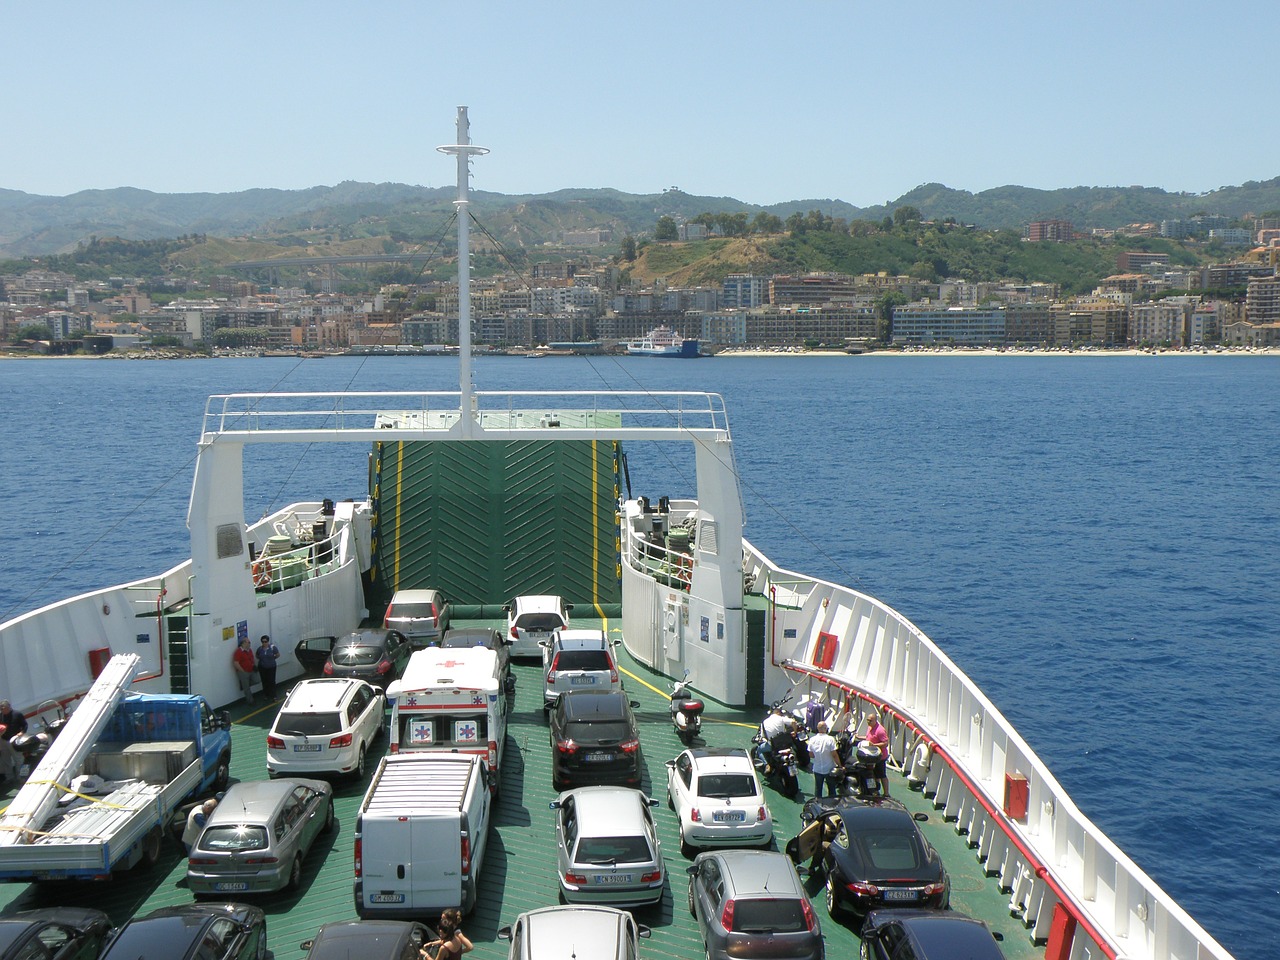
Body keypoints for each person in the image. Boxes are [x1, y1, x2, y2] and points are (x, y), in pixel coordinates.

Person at [755, 707, 795, 774]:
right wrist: (795, 732)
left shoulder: (764, 722)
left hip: (774, 745)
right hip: (786, 745)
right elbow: (793, 722)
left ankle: (766, 765)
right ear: (778, 713)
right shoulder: (781, 718)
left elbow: (763, 736)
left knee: (759, 750)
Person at [807, 720, 841, 798]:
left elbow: (811, 755)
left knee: (818, 790)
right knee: (832, 789)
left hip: (817, 769)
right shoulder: (830, 739)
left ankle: (818, 805)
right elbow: (834, 755)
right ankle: (832, 805)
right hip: (829, 769)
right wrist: (839, 765)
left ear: (818, 729)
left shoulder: (812, 739)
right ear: (825, 728)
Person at [0, 699, 27, 783]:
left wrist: (22, 732)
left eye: (3, 708)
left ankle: (20, 777)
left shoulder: (17, 714)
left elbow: (25, 725)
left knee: (18, 759)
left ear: (8, 707)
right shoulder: (1, 716)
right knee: (5, 759)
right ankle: (9, 777)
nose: (1, 710)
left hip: (14, 739)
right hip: (3, 740)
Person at [864, 713, 891, 798]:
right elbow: (868, 738)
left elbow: (885, 743)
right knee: (873, 774)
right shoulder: (870, 727)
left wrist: (874, 745)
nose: (868, 722)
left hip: (880, 757)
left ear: (875, 720)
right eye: (867, 720)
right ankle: (875, 791)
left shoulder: (880, 730)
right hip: (871, 756)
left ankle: (886, 793)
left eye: (870, 720)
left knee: (882, 775)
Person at [232, 638, 257, 705]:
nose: (249, 644)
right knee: (247, 688)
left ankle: (243, 684)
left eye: (249, 642)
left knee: (257, 680)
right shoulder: (238, 652)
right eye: (248, 642)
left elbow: (252, 659)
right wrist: (243, 671)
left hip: (251, 670)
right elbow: (236, 663)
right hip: (243, 672)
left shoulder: (249, 650)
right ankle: (250, 701)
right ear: (243, 643)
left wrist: (253, 665)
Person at [256, 635, 281, 701]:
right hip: (262, 667)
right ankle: (266, 694)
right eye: (263, 642)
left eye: (265, 641)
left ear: (268, 641)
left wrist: (272, 658)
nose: (264, 643)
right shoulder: (260, 649)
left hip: (271, 667)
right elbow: (257, 655)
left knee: (272, 681)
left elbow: (278, 654)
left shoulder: (273, 648)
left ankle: (274, 696)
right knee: (264, 681)